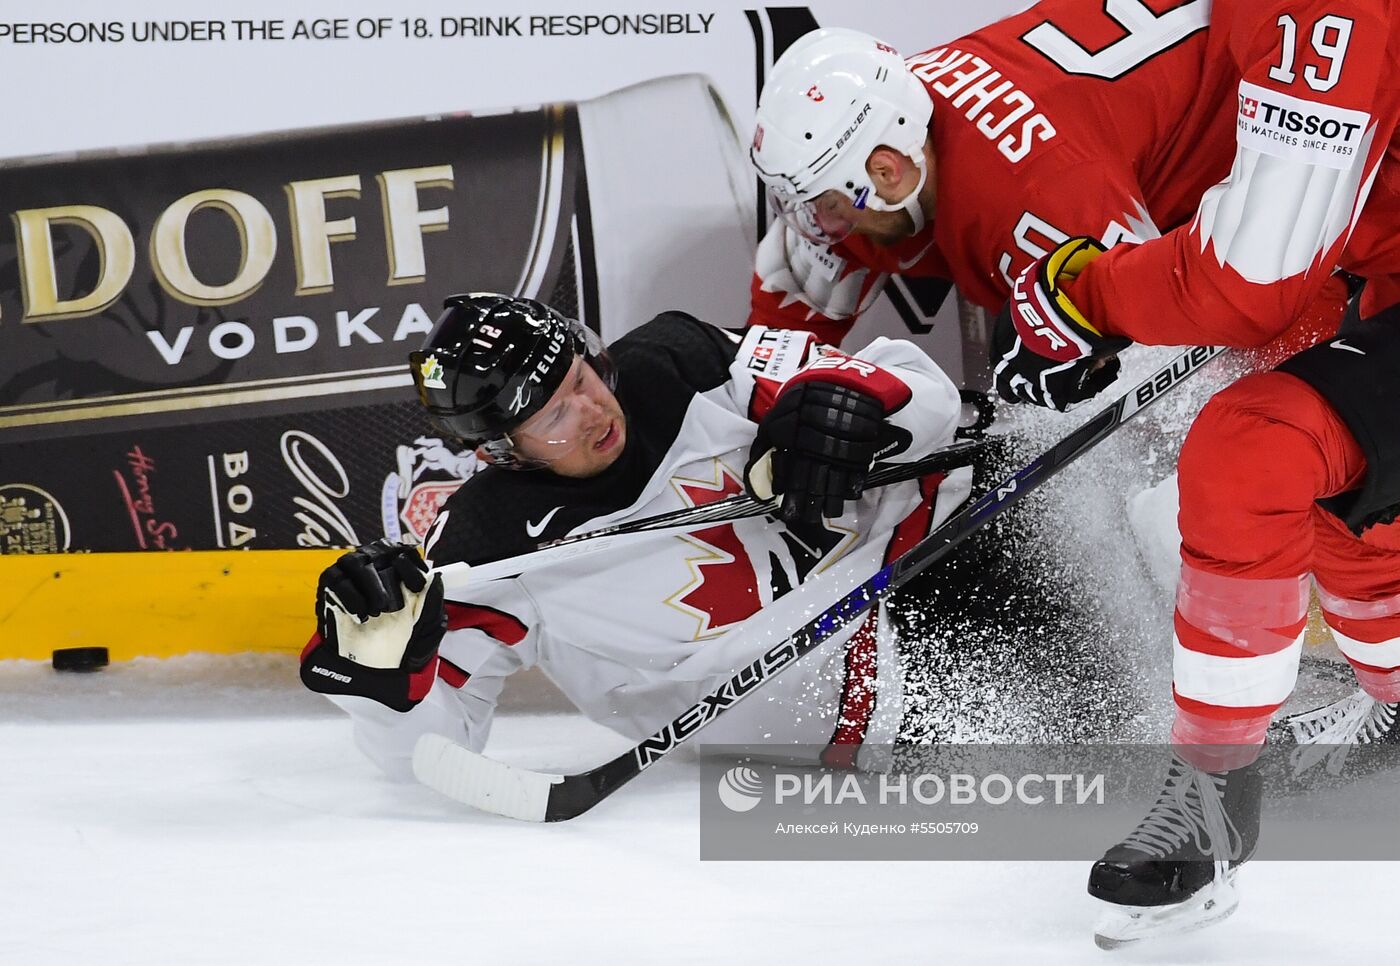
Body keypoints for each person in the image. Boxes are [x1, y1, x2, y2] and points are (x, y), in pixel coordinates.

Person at [748, 3, 1399, 945]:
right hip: (1325, 227)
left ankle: (1224, 750)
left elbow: (1226, 308)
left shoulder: (1036, 184)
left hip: (1293, 237)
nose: (821, 230)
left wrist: (1083, 313)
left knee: (1242, 453)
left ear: (890, 169)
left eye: (833, 205)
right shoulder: (893, 124)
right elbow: (798, 277)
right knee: (1314, 472)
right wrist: (786, 400)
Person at [298, 293, 972, 782]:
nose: (594, 410)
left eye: (582, 378)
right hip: (899, 711)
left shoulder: (678, 361)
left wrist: (856, 401)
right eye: (557, 413)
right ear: (503, 450)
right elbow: (433, 753)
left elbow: (928, 401)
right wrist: (384, 683)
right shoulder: (488, 546)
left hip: (943, 558)